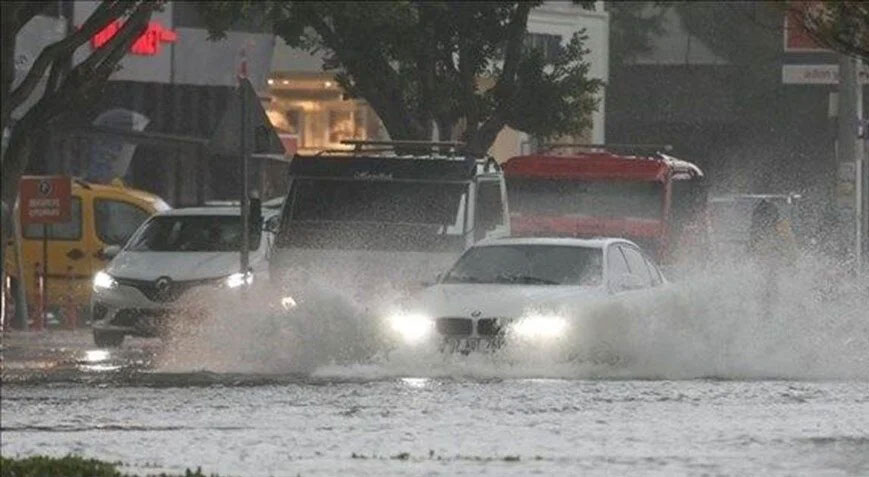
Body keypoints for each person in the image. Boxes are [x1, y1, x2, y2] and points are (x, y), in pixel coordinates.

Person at [747, 199, 798, 317]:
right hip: (767, 272)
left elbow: (791, 252)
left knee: (771, 296)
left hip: (778, 270)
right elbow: (753, 252)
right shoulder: (757, 231)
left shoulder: (781, 228)